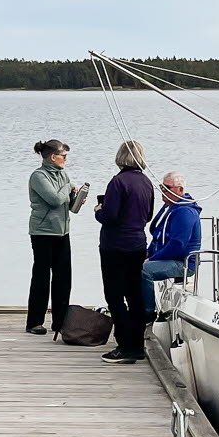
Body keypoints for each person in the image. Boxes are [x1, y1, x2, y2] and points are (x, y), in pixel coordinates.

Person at [94, 138, 153, 363]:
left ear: (120, 158)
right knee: (135, 296)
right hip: (138, 243)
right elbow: (148, 215)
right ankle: (137, 344)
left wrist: (99, 210)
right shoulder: (146, 182)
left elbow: (110, 216)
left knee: (115, 296)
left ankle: (124, 345)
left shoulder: (118, 182)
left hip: (115, 246)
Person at [26, 138, 88, 335]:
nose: (66, 160)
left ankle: (60, 322)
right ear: (53, 157)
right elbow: (53, 199)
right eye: (64, 156)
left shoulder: (63, 175)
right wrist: (68, 187)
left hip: (62, 231)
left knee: (63, 277)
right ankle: (34, 322)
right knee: (42, 277)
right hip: (43, 232)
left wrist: (76, 198)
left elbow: (67, 204)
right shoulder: (38, 176)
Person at [143, 172, 202, 318]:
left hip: (183, 262)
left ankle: (147, 313)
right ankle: (136, 305)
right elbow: (158, 237)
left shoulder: (184, 212)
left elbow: (177, 245)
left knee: (144, 271)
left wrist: (151, 260)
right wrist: (146, 254)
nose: (163, 191)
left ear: (180, 190)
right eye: (162, 187)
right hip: (169, 257)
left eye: (167, 188)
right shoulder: (170, 207)